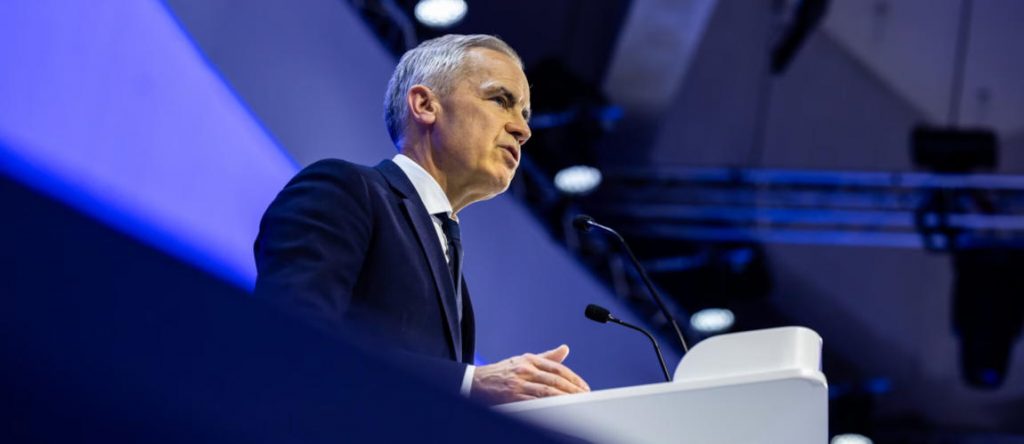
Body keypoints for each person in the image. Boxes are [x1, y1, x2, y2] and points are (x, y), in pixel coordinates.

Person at [253, 34, 590, 404]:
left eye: (524, 115)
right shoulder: (343, 190)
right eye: (501, 100)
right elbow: (289, 337)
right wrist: (469, 383)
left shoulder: (451, 262)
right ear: (425, 105)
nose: (523, 131)